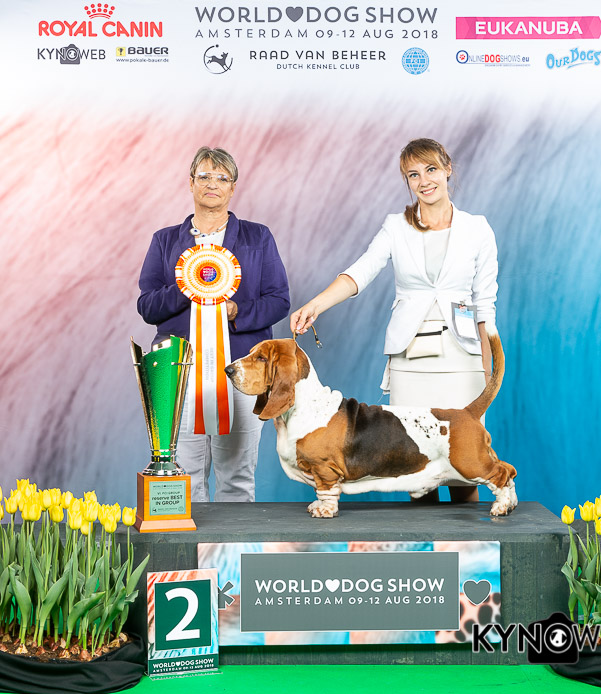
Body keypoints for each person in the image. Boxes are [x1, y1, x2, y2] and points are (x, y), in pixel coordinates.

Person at [290, 138, 499, 503]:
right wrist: (316, 305)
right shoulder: (395, 226)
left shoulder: (477, 228)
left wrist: (486, 373)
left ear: (448, 168)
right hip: (410, 359)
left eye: (431, 170)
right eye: (413, 175)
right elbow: (361, 271)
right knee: (414, 467)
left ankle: (468, 539)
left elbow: (485, 305)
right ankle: (427, 540)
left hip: (462, 360)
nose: (424, 181)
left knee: (466, 469)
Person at [138, 146, 290, 502]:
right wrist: (187, 286)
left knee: (237, 478)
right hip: (178, 372)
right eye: (204, 176)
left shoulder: (258, 237)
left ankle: (233, 543)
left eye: (222, 178)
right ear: (190, 183)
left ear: (233, 187)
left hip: (243, 371)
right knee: (183, 479)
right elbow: (147, 306)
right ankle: (189, 542)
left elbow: (279, 300)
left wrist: (237, 312)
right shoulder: (164, 240)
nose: (212, 184)